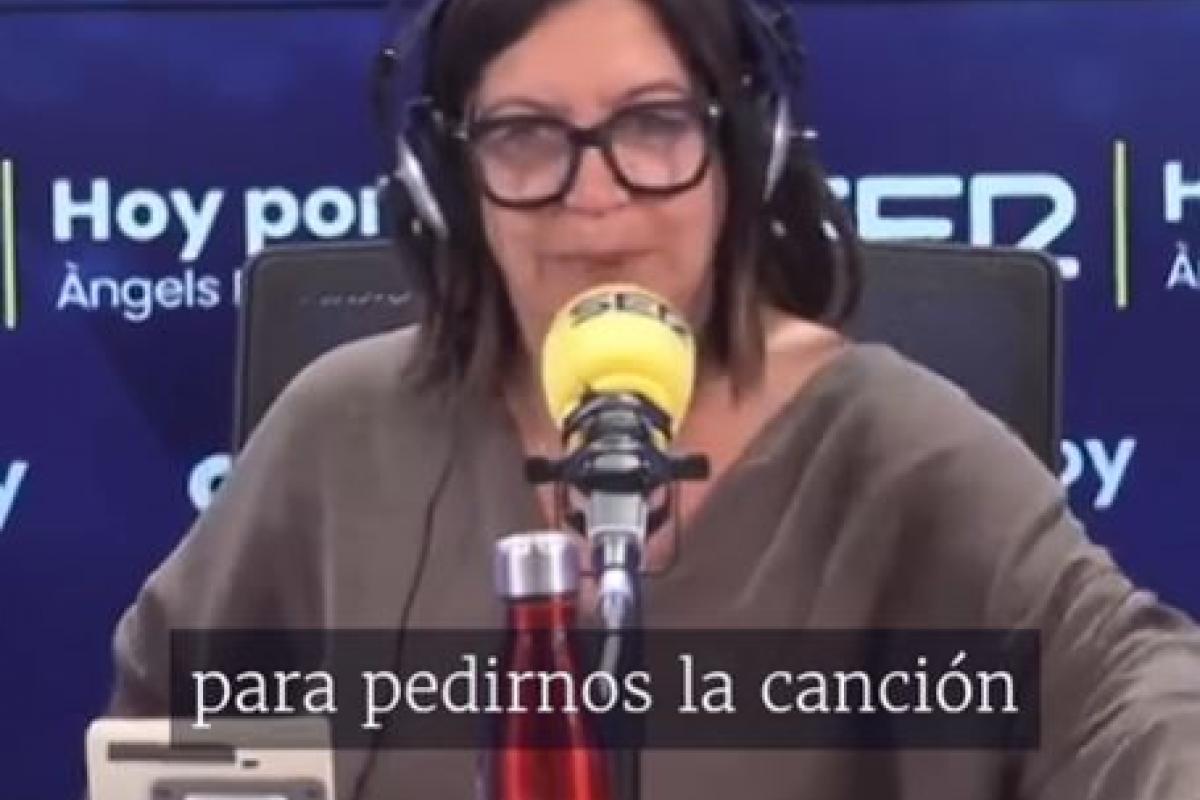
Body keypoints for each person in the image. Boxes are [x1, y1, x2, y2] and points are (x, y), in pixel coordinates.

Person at [101, 0, 1200, 797]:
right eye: (526, 135)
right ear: (452, 180)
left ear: (741, 150)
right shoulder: (342, 434)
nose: (595, 194)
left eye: (651, 125)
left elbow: (1132, 695)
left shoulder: (899, 455)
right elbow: (176, 728)